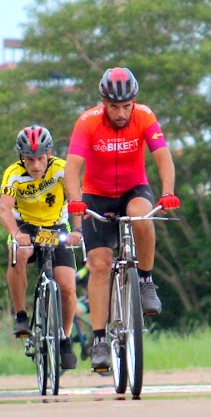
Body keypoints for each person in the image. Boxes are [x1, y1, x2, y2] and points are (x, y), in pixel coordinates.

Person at [64, 67, 180, 371]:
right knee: (100, 265)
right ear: (104, 102)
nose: (120, 113)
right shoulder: (87, 122)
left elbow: (163, 155)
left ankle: (145, 281)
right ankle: (100, 341)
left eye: (125, 106)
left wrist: (167, 192)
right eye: (114, 107)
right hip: (95, 197)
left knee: (142, 216)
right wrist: (75, 201)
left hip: (133, 189)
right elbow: (72, 168)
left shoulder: (144, 116)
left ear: (134, 101)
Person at [0, 124, 83, 370]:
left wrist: (77, 230)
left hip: (56, 226)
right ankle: (21, 315)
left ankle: (64, 338)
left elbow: (76, 201)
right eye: (29, 159)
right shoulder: (13, 173)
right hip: (25, 226)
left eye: (40, 158)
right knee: (19, 252)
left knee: (67, 287)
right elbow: (4, 209)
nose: (35, 165)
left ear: (49, 154)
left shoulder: (61, 169)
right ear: (21, 157)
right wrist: (15, 232)